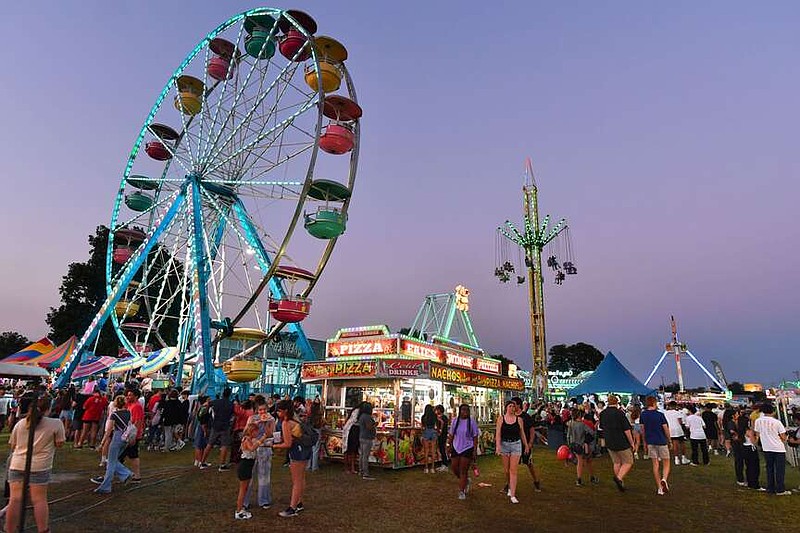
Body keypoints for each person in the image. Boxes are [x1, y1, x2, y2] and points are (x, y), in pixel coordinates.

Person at [5, 395, 65, 533]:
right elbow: (60, 443)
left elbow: (12, 445)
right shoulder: (56, 423)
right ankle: (43, 530)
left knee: (15, 500)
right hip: (40, 466)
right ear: (49, 408)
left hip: (17, 463)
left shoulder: (20, 423)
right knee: (39, 500)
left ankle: (9, 529)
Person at [272, 399, 310, 517]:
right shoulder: (295, 419)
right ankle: (298, 503)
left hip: (296, 452)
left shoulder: (286, 423)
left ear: (285, 411)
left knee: (296, 481)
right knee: (301, 478)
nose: (277, 413)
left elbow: (287, 444)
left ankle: (292, 508)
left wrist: (274, 445)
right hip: (304, 449)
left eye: (279, 411)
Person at [91, 395, 134, 493]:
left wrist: (102, 444)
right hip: (125, 438)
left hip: (117, 437)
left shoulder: (114, 415)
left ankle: (106, 486)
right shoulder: (128, 412)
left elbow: (109, 430)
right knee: (113, 461)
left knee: (110, 462)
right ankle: (125, 474)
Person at [234, 423, 272, 520]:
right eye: (256, 431)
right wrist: (262, 438)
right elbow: (252, 448)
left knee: (245, 489)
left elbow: (258, 444)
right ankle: (238, 511)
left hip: (247, 467)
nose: (257, 433)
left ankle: (241, 508)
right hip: (245, 467)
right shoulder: (246, 440)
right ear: (252, 431)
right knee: (243, 490)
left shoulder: (251, 439)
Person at [598, 395, 635, 492]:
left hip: (609, 441)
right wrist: (632, 442)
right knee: (628, 461)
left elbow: (601, 427)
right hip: (621, 441)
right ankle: (619, 478)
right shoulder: (620, 413)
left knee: (616, 462)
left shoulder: (603, 413)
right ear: (617, 403)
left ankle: (620, 481)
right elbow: (627, 429)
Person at [244, 399, 276, 509]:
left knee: (264, 475)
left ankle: (264, 500)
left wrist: (266, 423)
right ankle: (245, 502)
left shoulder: (271, 419)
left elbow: (270, 433)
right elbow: (247, 432)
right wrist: (256, 424)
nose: (262, 412)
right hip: (252, 448)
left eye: (264, 410)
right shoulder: (252, 418)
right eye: (260, 410)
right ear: (257, 410)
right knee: (249, 475)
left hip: (265, 448)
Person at [752, 403, 790, 495]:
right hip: (778, 448)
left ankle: (770, 487)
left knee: (769, 468)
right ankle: (780, 489)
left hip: (766, 447)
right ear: (773, 411)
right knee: (780, 469)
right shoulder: (777, 422)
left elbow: (757, 434)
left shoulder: (758, 421)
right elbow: (783, 437)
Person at [495, 399, 527, 504]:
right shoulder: (501, 419)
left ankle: (513, 494)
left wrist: (526, 445)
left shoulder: (519, 420)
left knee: (513, 470)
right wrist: (498, 446)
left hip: (516, 445)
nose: (512, 408)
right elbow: (498, 433)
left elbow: (522, 433)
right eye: (510, 406)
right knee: (506, 470)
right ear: (506, 408)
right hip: (504, 445)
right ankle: (509, 486)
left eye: (513, 407)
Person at [447, 404, 479, 500]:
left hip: (467, 448)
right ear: (459, 411)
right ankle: (465, 481)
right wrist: (449, 445)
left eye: (466, 410)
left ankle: (462, 491)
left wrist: (474, 450)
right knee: (454, 467)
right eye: (463, 410)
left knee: (463, 470)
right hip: (456, 447)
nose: (464, 412)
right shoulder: (455, 421)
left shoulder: (472, 422)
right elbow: (451, 435)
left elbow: (475, 437)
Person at [640, 396, 671, 495]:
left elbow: (642, 429)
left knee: (655, 464)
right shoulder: (660, 415)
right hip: (661, 441)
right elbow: (665, 428)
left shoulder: (643, 415)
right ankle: (664, 479)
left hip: (650, 441)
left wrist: (644, 441)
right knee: (666, 463)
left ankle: (659, 488)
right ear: (654, 403)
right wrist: (669, 440)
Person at [512, 397, 541, 491]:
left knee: (529, 463)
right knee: (511, 465)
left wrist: (530, 442)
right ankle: (509, 484)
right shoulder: (510, 415)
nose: (512, 406)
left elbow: (532, 430)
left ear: (518, 405)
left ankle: (536, 481)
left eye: (513, 404)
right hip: (513, 444)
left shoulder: (526, 417)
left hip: (525, 444)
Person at [203, 387, 234, 471]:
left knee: (210, 443)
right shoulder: (231, 404)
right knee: (224, 445)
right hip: (225, 426)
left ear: (222, 394)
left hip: (215, 425)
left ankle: (203, 462)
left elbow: (207, 405)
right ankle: (222, 465)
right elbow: (232, 415)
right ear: (230, 395)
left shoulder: (216, 402)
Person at [119, 388, 144, 483]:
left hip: (132, 436)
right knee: (130, 456)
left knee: (125, 456)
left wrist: (133, 436)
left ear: (136, 396)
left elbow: (137, 422)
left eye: (130, 395)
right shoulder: (130, 405)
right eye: (127, 395)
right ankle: (134, 476)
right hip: (128, 434)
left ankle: (130, 475)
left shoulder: (136, 406)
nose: (128, 397)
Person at [566, 409, 597, 487]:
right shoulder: (582, 425)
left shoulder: (571, 424)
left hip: (573, 444)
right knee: (585, 461)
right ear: (579, 415)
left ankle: (586, 478)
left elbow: (568, 435)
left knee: (582, 461)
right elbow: (592, 432)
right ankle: (583, 478)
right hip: (581, 445)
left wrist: (569, 444)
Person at [664, 401, 690, 465]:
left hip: (670, 429)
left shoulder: (665, 413)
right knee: (681, 443)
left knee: (673, 443)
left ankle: (676, 459)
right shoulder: (678, 412)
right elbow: (680, 422)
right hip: (678, 429)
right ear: (675, 406)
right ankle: (683, 458)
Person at [358, 402, 377, 480]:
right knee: (365, 456)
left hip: (362, 436)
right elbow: (369, 427)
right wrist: (375, 424)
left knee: (362, 455)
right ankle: (365, 473)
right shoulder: (367, 417)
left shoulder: (362, 416)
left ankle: (361, 470)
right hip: (367, 437)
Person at [420, 404, 439, 474]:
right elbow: (437, 425)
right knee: (433, 451)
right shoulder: (434, 416)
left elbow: (422, 427)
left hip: (426, 431)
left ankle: (426, 468)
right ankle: (432, 468)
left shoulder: (423, 417)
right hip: (433, 432)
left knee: (426, 451)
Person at [342, 406, 361, 475]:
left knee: (352, 451)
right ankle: (347, 468)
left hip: (352, 431)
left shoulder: (356, 411)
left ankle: (351, 468)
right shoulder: (357, 412)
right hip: (350, 432)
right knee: (348, 451)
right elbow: (354, 420)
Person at [434, 405, 450, 472]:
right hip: (441, 435)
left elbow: (443, 425)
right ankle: (443, 464)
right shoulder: (440, 417)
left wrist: (440, 431)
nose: (436, 411)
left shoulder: (443, 417)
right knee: (441, 449)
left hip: (443, 435)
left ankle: (445, 465)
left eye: (437, 410)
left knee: (442, 449)